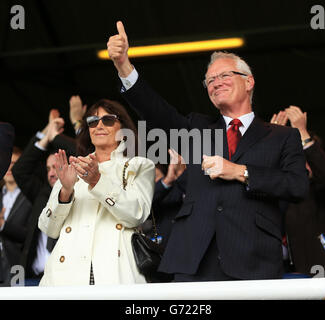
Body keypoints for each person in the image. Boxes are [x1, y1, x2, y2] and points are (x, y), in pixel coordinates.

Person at [107, 21, 309, 281]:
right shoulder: (198, 128)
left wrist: (240, 172)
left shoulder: (282, 136)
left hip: (252, 259)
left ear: (249, 82)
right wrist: (124, 65)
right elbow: (156, 110)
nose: (216, 83)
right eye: (210, 80)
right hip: (194, 259)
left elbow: (297, 186)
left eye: (225, 76)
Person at [38, 99, 155, 286]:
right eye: (92, 121)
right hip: (65, 277)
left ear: (123, 129)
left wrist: (97, 181)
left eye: (108, 120)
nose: (99, 125)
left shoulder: (139, 165)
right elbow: (48, 229)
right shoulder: (73, 166)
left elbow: (136, 215)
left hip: (115, 274)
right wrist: (66, 191)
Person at [272, 106, 325, 277]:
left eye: (305, 157)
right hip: (282, 275)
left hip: (322, 275)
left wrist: (301, 132)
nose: (300, 164)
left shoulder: (321, 190)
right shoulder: (277, 190)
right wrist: (272, 141)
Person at [11, 112, 75, 285]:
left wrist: (56, 137)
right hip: (34, 278)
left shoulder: (80, 192)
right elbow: (20, 170)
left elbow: (81, 151)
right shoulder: (43, 193)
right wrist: (45, 137)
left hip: (67, 279)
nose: (52, 173)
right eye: (48, 169)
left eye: (56, 166)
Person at [0, 147, 32, 286]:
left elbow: (31, 236)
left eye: (13, 164)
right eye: (6, 163)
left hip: (16, 266)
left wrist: (3, 225)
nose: (9, 167)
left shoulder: (30, 196)